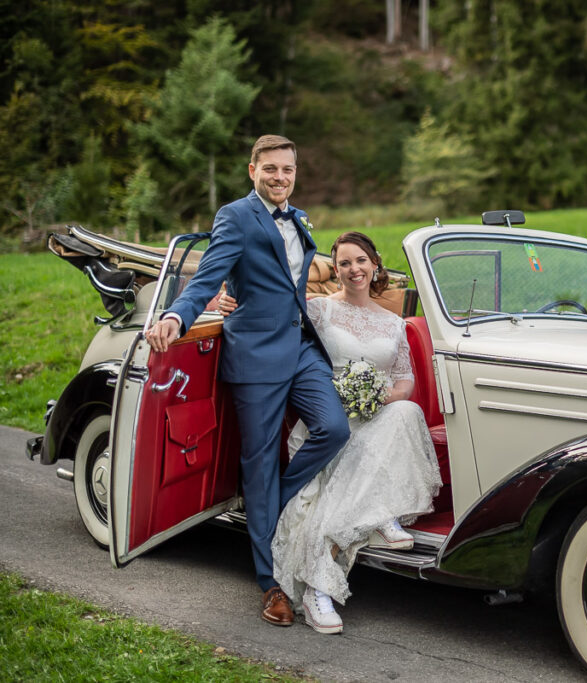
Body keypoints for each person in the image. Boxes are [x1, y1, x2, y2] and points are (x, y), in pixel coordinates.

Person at [144, 135, 349, 628]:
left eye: (288, 170)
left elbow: (296, 277)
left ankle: (271, 501)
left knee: (334, 428)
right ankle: (269, 583)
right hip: (256, 356)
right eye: (271, 169)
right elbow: (208, 274)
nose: (280, 178)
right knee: (257, 464)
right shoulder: (236, 216)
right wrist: (177, 316)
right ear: (252, 170)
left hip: (301, 348)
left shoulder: (297, 217)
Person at [220, 231, 441, 635]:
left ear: (376, 265)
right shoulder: (319, 310)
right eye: (344, 263)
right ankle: (318, 587)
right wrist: (228, 300)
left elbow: (405, 381)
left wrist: (374, 396)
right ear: (336, 270)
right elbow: (269, 311)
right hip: (328, 418)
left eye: (360, 261)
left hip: (372, 413)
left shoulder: (393, 324)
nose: (353, 269)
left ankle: (382, 516)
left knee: (406, 410)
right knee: (341, 465)